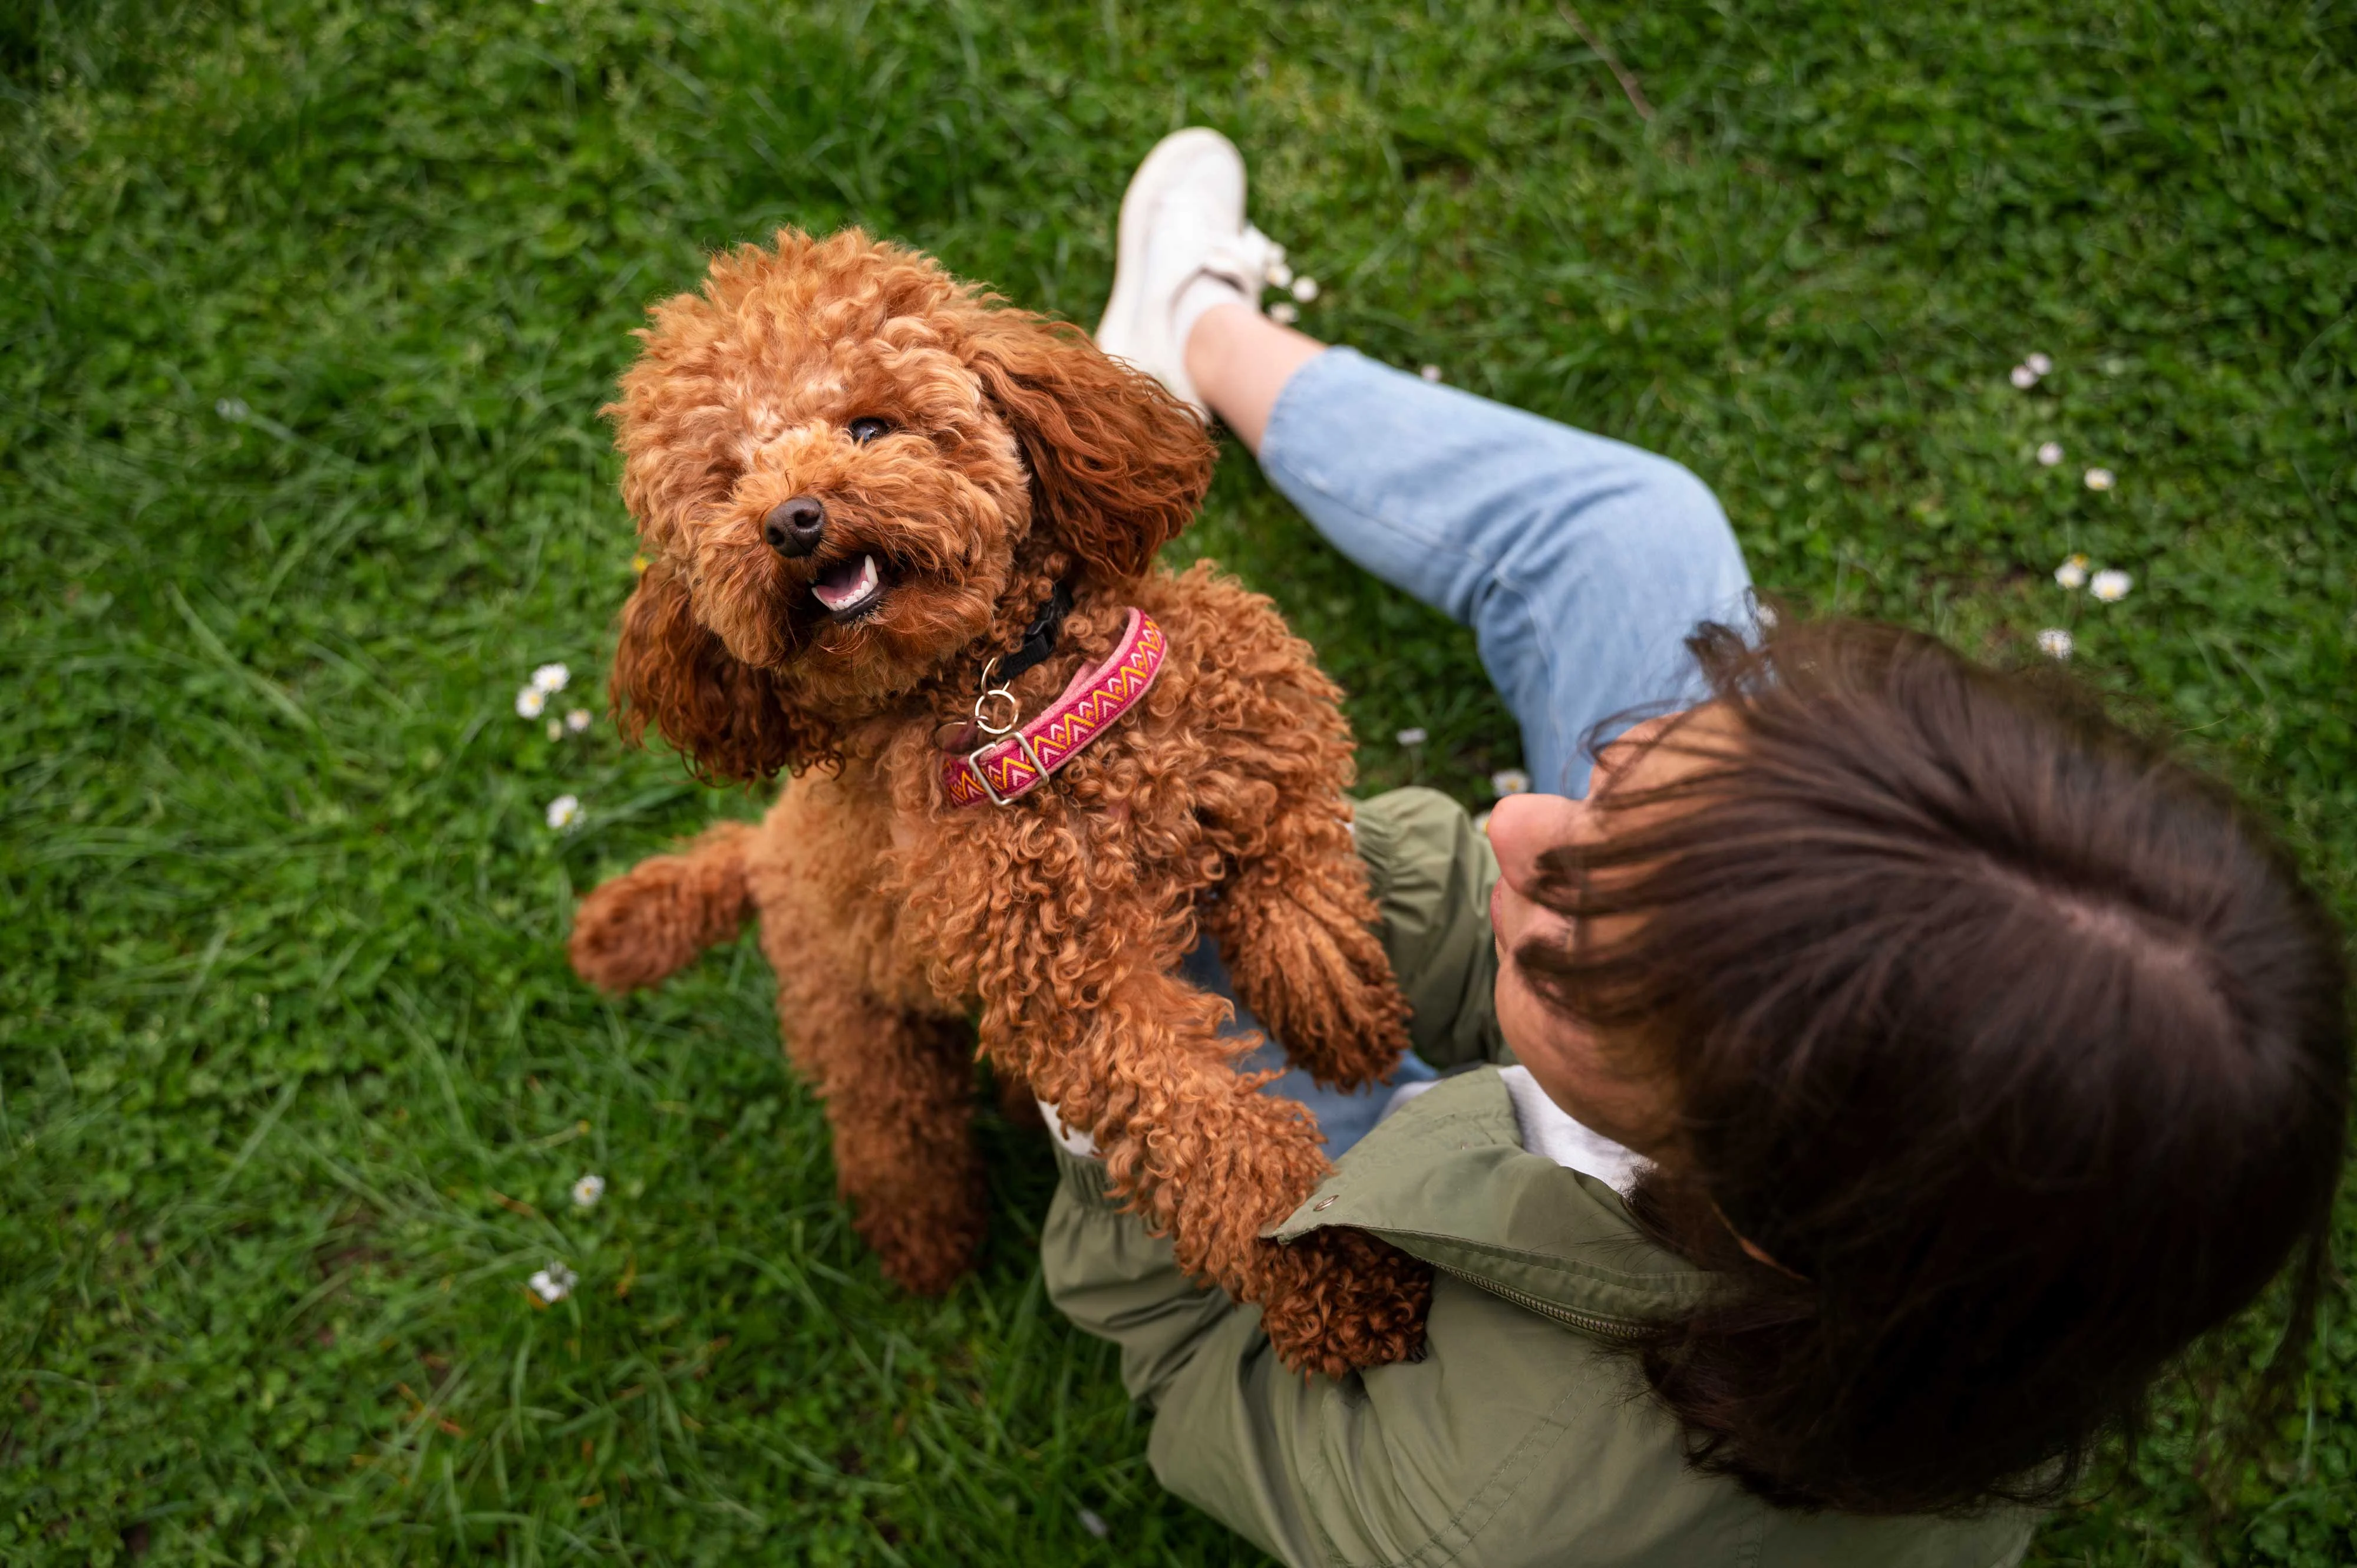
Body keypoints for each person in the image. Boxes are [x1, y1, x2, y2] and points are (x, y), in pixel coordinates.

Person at [1035, 128, 2353, 1567]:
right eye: (1650, 776)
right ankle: (1194, 333)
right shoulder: (2067, 1212)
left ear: (1757, 1198)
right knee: (1637, 539)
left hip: (1444, 1253)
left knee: (1163, 1000)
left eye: (1584, 917)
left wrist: (1112, 1100)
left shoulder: (1486, 1516)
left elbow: (1194, 1364)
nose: (1512, 822)